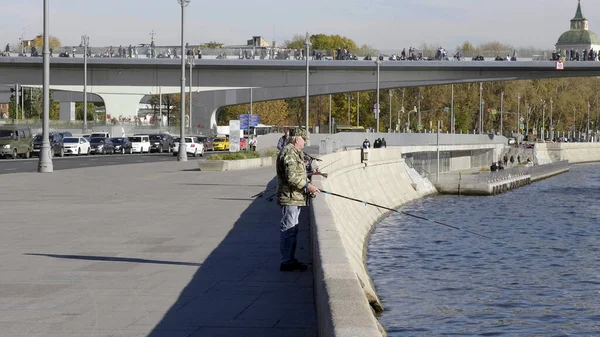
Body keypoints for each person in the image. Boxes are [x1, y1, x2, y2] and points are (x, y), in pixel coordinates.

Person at [276, 128, 319, 272]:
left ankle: (290, 259)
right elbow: (291, 177)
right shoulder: (289, 152)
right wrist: (307, 185)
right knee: (288, 229)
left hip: (295, 197)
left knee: (293, 229)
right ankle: (286, 262)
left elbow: (299, 173)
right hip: (290, 197)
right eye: (304, 139)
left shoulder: (296, 152)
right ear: (297, 139)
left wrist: (309, 186)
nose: (305, 143)